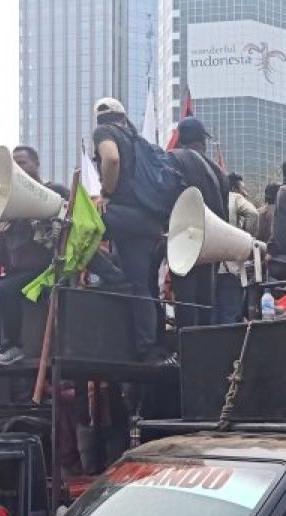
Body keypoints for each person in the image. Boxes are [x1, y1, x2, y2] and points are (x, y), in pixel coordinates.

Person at [0, 146, 69, 368]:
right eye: (15, 164)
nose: (18, 168)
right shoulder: (11, 213)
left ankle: (12, 346)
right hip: (19, 273)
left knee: (5, 289)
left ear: (36, 164)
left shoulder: (55, 191)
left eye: (23, 162)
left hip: (46, 271)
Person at [92, 98, 175, 366]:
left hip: (122, 213)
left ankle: (114, 278)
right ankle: (153, 348)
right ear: (124, 117)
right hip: (147, 219)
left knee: (72, 230)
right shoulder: (138, 140)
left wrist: (106, 192)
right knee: (145, 285)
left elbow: (111, 159)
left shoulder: (104, 132)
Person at [169, 117, 230, 329]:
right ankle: (203, 347)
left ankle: (185, 345)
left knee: (185, 298)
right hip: (211, 240)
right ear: (202, 141)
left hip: (182, 238)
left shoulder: (173, 159)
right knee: (206, 299)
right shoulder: (219, 172)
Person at [219, 173, 258, 324]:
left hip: (210, 268)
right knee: (230, 312)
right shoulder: (235, 198)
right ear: (234, 188)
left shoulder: (210, 198)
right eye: (243, 189)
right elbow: (253, 213)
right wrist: (245, 239)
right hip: (230, 265)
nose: (245, 193)